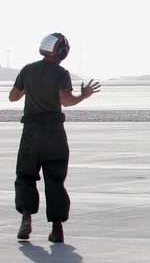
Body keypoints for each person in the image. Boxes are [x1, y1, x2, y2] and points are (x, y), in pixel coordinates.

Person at [9, 33, 100, 242]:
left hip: (31, 132)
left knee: (25, 175)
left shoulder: (27, 69)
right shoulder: (61, 73)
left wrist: (29, 88)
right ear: (62, 52)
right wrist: (83, 95)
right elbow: (66, 101)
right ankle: (57, 228)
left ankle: (26, 220)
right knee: (55, 179)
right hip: (54, 133)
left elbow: (13, 97)